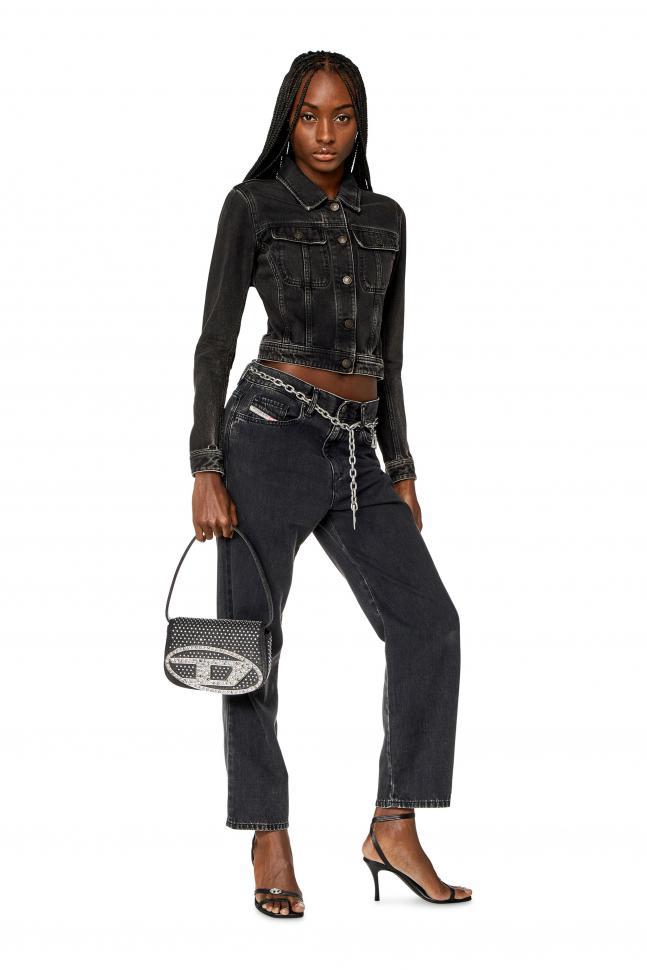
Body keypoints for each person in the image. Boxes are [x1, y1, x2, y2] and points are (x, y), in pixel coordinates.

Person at [189, 50, 472, 917]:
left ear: (359, 122)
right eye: (309, 115)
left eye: (341, 116)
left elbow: (388, 357)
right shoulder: (253, 206)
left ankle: (394, 823)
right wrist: (205, 465)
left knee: (430, 624)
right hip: (265, 436)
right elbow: (213, 344)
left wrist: (401, 466)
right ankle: (266, 831)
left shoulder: (385, 218)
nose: (325, 133)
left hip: (357, 453)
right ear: (288, 120)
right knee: (249, 642)